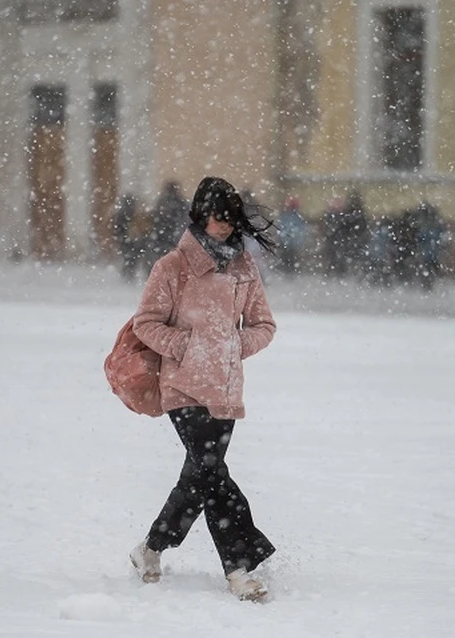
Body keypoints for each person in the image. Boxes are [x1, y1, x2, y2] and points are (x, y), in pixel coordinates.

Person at [128, 176, 277, 602]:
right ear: (199, 214)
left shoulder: (244, 267)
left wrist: (232, 347)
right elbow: (146, 322)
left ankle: (151, 547)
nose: (225, 225)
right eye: (218, 217)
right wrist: (186, 347)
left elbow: (264, 326)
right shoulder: (172, 267)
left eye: (231, 218)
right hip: (183, 387)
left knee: (201, 476)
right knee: (210, 472)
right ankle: (239, 566)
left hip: (225, 389)